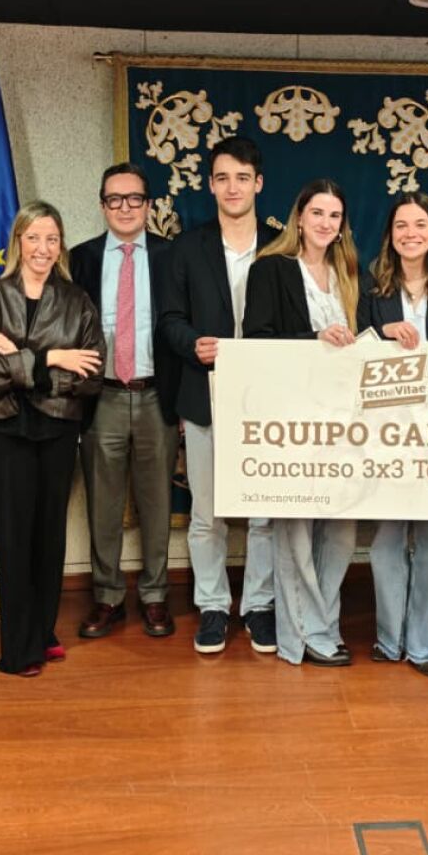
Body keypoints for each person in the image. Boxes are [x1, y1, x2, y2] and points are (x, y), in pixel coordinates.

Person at [0, 201, 105, 677]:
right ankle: (17, 648)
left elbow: (90, 376)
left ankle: (43, 631)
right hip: (4, 431)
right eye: (33, 237)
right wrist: (51, 359)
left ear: (60, 245)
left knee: (49, 536)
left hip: (58, 429)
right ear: (17, 241)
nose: (42, 248)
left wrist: (21, 359)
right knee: (14, 538)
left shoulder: (76, 300)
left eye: (52, 238)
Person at [157, 136, 278, 654]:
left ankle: (258, 606)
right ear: (210, 185)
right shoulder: (186, 246)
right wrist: (193, 345)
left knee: (265, 512)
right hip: (204, 398)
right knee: (207, 513)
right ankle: (211, 605)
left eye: (243, 177)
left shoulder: (281, 245)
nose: (233, 187)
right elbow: (168, 322)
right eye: (223, 177)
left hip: (269, 403)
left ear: (259, 184)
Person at [243, 178, 360, 666]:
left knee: (341, 530)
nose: (325, 223)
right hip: (292, 421)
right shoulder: (270, 270)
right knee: (293, 530)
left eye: (334, 216)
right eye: (317, 213)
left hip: (346, 424)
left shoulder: (351, 273)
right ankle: (300, 635)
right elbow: (258, 339)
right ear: (299, 217)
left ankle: (325, 623)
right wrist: (317, 337)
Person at [359, 191, 428, 677]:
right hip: (385, 432)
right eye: (401, 225)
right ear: (390, 234)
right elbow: (352, 354)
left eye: (420, 224)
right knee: (385, 541)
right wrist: (381, 336)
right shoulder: (370, 290)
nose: (410, 233)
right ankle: (389, 638)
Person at [71, 163, 182, 639]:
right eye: (114, 199)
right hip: (104, 397)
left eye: (134, 198)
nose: (124, 207)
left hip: (157, 393)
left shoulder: (172, 257)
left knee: (158, 504)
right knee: (103, 504)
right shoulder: (80, 258)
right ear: (102, 204)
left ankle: (155, 595)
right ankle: (107, 596)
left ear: (148, 205)